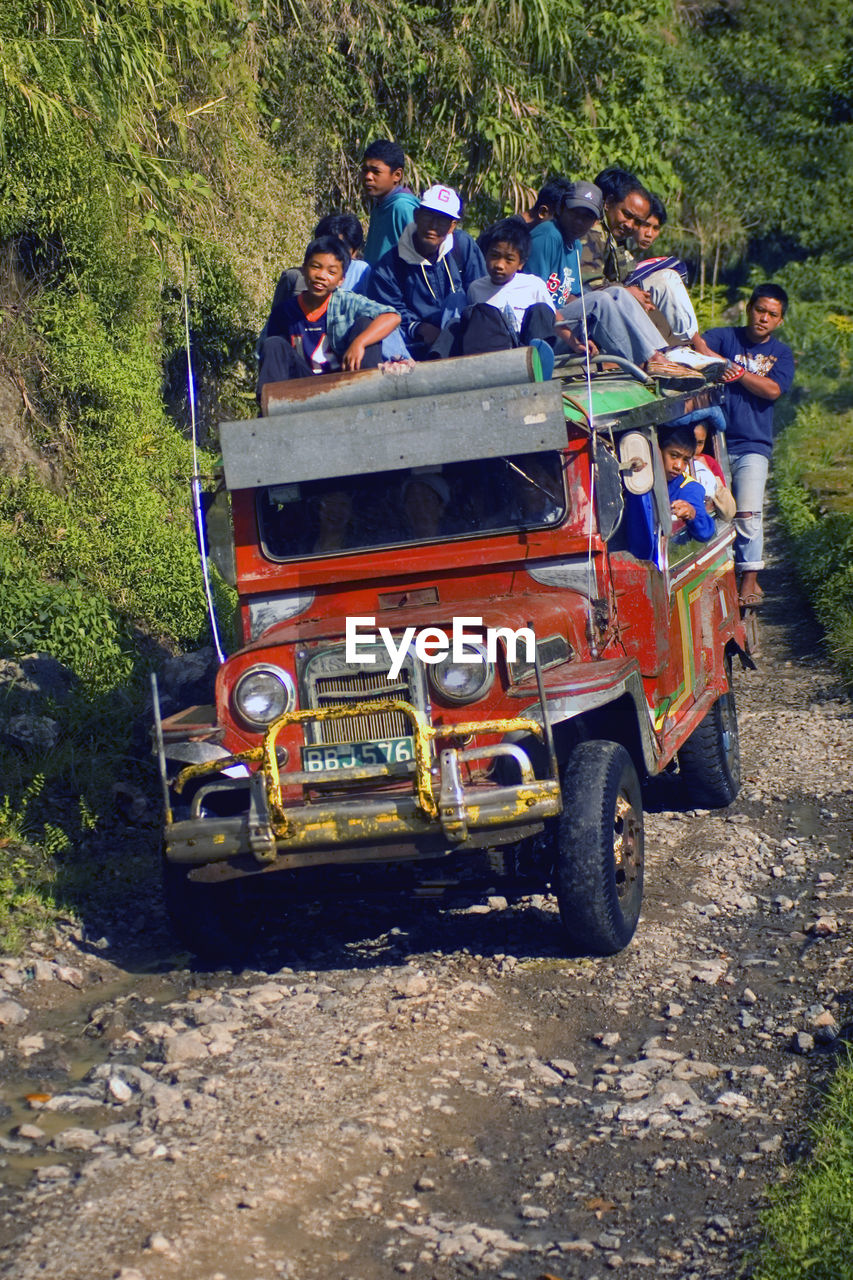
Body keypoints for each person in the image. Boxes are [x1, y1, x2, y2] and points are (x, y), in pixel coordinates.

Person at [524, 180, 702, 376]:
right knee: (601, 300)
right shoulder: (548, 235)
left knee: (617, 293)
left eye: (587, 217)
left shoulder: (575, 245)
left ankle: (659, 356)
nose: (579, 222)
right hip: (541, 331)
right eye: (575, 213)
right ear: (561, 208)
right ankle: (647, 362)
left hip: (563, 324)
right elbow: (536, 299)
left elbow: (572, 295)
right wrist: (573, 337)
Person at [701, 284, 795, 606]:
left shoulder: (781, 353)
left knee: (749, 512)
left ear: (780, 320)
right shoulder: (726, 337)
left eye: (772, 314)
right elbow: (696, 343)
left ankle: (749, 583)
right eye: (760, 310)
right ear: (749, 308)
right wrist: (713, 357)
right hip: (714, 442)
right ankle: (719, 579)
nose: (763, 318)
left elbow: (772, 390)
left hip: (754, 444)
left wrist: (734, 371)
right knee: (717, 510)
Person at [256, 235, 400, 398]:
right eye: (316, 267)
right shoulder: (285, 311)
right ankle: (269, 410)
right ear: (304, 269)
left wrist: (359, 343)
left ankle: (370, 399)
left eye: (331, 272)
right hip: (303, 384)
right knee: (273, 344)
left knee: (366, 324)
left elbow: (392, 316)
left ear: (341, 280)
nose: (321, 276)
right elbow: (266, 354)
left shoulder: (346, 302)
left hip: (343, 383)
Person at [367, 184, 486, 361]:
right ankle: (405, 375)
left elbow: (479, 290)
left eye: (442, 220)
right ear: (416, 215)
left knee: (458, 300)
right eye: (428, 216)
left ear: (452, 226)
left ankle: (448, 358)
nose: (433, 226)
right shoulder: (389, 265)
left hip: (459, 342)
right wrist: (420, 328)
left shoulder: (462, 246)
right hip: (412, 343)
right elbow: (389, 310)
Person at [462, 216, 555, 354]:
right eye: (494, 256)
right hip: (496, 349)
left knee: (541, 309)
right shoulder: (476, 288)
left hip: (528, 346)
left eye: (509, 260)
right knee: (481, 312)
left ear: (521, 263)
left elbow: (549, 320)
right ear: (485, 255)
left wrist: (576, 342)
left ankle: (540, 360)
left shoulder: (534, 285)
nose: (499, 265)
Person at [361, 139, 420, 266]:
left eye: (376, 171)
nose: (368, 176)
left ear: (397, 175)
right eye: (365, 170)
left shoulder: (402, 207)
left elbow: (417, 259)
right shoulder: (380, 205)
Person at [658, 423, 716, 542]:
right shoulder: (638, 480)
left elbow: (706, 531)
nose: (678, 466)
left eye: (685, 460)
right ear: (658, 451)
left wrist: (692, 513)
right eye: (673, 456)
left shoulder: (689, 487)